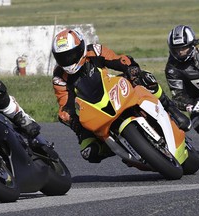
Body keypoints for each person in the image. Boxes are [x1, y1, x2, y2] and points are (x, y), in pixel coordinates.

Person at [51, 29, 191, 163]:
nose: (68, 60)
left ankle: (171, 109)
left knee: (146, 78)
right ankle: (115, 146)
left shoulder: (93, 51)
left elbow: (117, 59)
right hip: (92, 109)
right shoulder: (59, 77)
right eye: (62, 57)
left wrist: (131, 68)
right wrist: (71, 119)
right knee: (89, 152)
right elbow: (64, 104)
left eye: (71, 54)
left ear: (80, 47)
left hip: (112, 89)